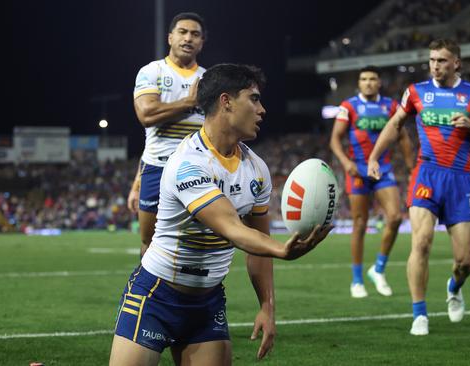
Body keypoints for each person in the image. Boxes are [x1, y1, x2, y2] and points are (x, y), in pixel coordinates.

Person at [109, 64, 333, 365]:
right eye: (254, 99)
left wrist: (267, 307)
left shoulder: (257, 169)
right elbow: (229, 226)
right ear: (226, 101)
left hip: (207, 302)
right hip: (157, 296)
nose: (262, 109)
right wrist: (282, 250)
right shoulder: (187, 162)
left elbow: (259, 244)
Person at [367, 39, 470, 336]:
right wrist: (375, 156)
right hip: (426, 175)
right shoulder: (416, 92)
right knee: (421, 242)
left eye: (441, 60)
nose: (435, 65)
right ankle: (419, 314)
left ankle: (454, 287)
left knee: (465, 261)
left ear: (456, 63)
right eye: (432, 60)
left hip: (460, 179)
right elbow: (395, 124)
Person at [330, 65, 414, 298]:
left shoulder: (391, 106)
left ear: (379, 82)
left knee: (396, 218)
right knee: (359, 223)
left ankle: (378, 269)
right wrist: (346, 163)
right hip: (357, 170)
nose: (368, 82)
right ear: (359, 83)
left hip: (383, 170)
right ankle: (356, 280)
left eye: (372, 78)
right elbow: (335, 140)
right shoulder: (349, 107)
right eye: (364, 79)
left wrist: (411, 168)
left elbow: (404, 138)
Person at [127, 12, 207, 257]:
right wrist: (189, 102)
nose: (188, 38)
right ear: (170, 37)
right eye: (182, 32)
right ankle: (147, 293)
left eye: (195, 34)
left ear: (202, 42)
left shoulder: (210, 79)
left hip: (198, 169)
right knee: (150, 242)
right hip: (157, 168)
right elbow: (147, 115)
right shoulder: (152, 72)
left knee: (198, 242)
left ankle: (192, 293)